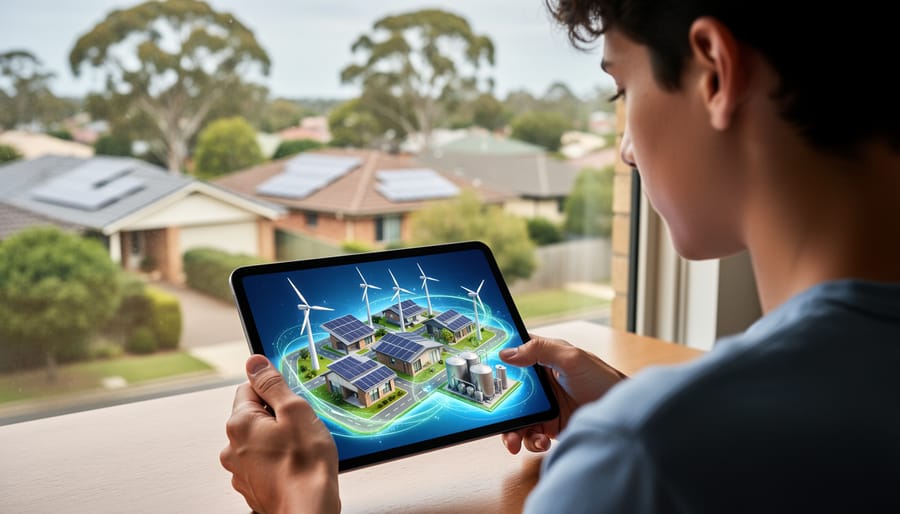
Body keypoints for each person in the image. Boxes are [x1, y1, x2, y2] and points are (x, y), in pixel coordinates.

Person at [220, 0, 900, 512]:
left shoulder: (647, 459)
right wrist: (648, 411)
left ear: (715, 73)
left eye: (622, 89)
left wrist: (298, 502)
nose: (626, 148)